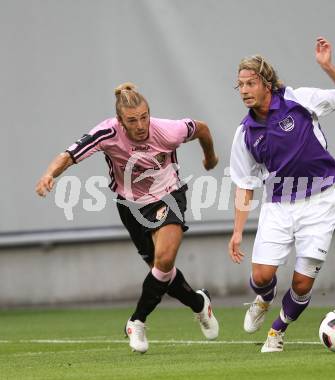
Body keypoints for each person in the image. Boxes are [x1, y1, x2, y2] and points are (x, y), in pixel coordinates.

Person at [36, 82, 219, 353]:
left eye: (144, 117)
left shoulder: (167, 131)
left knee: (165, 259)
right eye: (133, 120)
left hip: (168, 194)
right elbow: (70, 154)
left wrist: (210, 157)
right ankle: (198, 304)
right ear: (121, 122)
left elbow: (201, 128)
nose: (141, 125)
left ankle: (137, 321)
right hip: (130, 206)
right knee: (161, 274)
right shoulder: (107, 132)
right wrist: (49, 174)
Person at [228, 37, 335, 353]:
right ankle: (263, 298)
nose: (244, 89)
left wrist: (327, 66)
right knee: (261, 276)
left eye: (250, 83)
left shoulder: (299, 99)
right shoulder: (245, 132)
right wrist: (236, 232)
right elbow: (245, 183)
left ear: (267, 83)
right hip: (279, 204)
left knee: (301, 284)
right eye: (240, 85)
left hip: (320, 201)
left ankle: (277, 331)